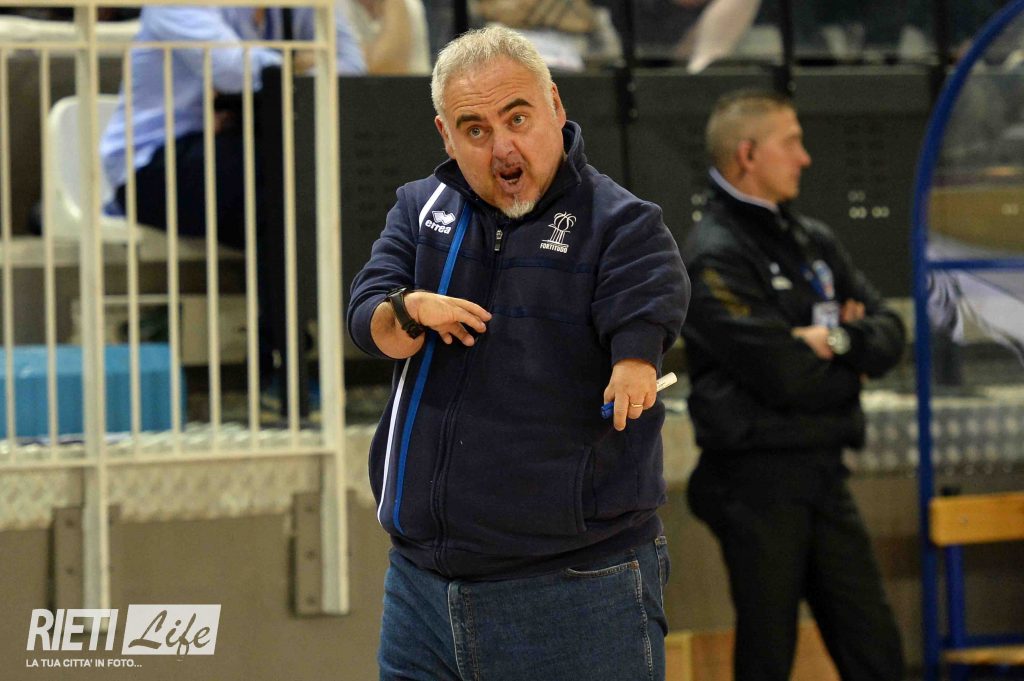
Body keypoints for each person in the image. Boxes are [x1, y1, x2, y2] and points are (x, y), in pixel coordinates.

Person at [346, 25, 689, 681]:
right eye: (475, 129)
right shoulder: (420, 209)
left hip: (574, 589)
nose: (503, 146)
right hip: (419, 588)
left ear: (555, 107)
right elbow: (368, 317)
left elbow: (646, 301)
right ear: (446, 137)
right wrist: (408, 309)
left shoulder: (620, 221)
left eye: (518, 118)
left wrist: (634, 363)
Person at [682, 89, 905, 681]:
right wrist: (849, 367)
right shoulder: (713, 254)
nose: (805, 158)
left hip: (823, 471)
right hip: (756, 482)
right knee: (768, 649)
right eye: (792, 143)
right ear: (748, 154)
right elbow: (782, 373)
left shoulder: (813, 239)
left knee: (876, 647)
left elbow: (891, 332)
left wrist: (832, 342)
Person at [99, 6, 365, 248]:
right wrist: (301, 59)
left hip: (237, 144)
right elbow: (234, 71)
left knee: (332, 169)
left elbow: (352, 65)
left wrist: (292, 64)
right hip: (152, 163)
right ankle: (296, 288)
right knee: (289, 181)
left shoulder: (302, 7)